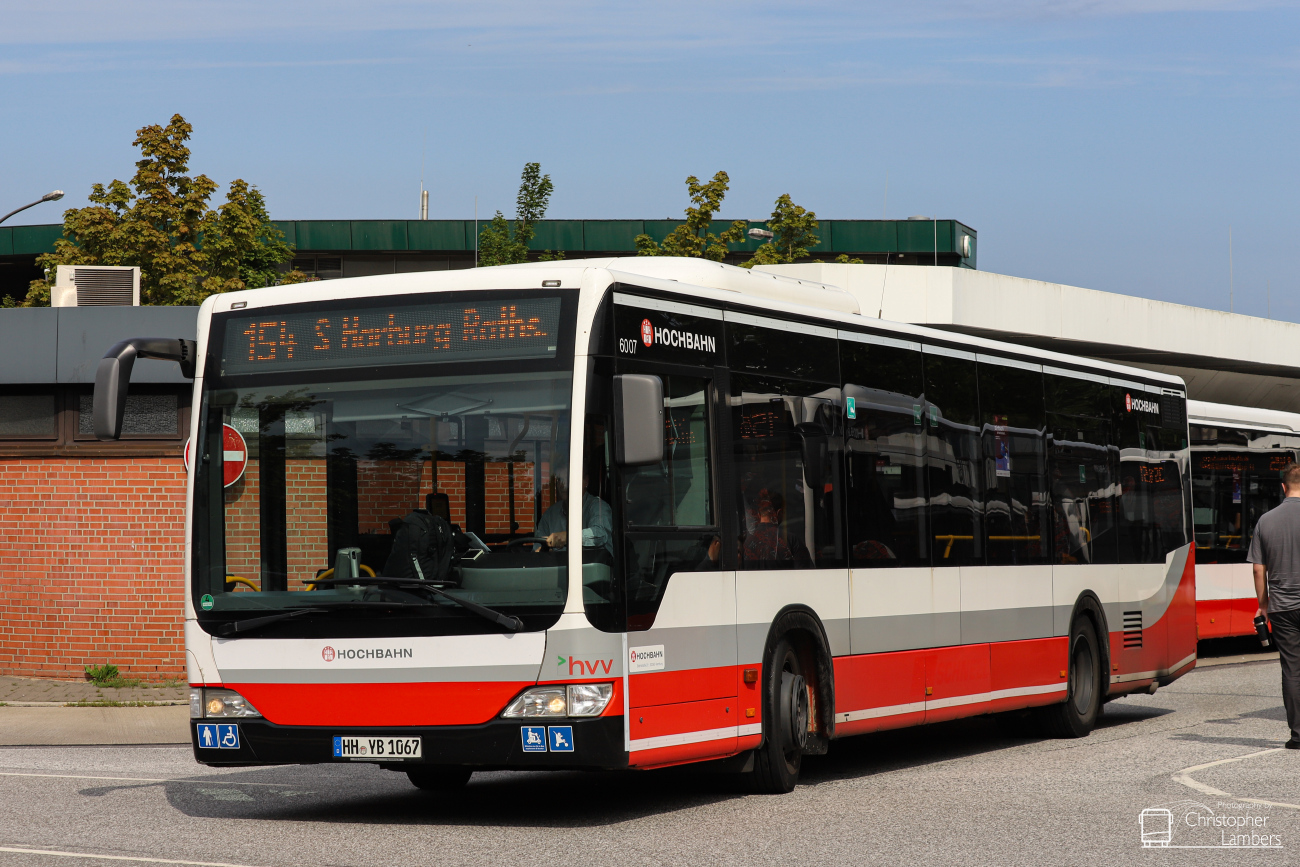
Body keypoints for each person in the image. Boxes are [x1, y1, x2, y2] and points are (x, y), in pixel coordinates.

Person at [1247, 462, 1300, 750]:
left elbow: (1258, 570)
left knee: (1292, 669)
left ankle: (1298, 735)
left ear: (1283, 487)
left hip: (1281, 606)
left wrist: (1263, 605)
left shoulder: (1266, 521)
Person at [535, 469, 613, 559]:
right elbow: (537, 549)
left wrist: (568, 537)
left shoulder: (598, 507)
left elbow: (601, 534)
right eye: (560, 479)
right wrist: (542, 552)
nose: (563, 484)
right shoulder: (550, 514)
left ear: (585, 481)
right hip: (556, 571)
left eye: (568, 478)